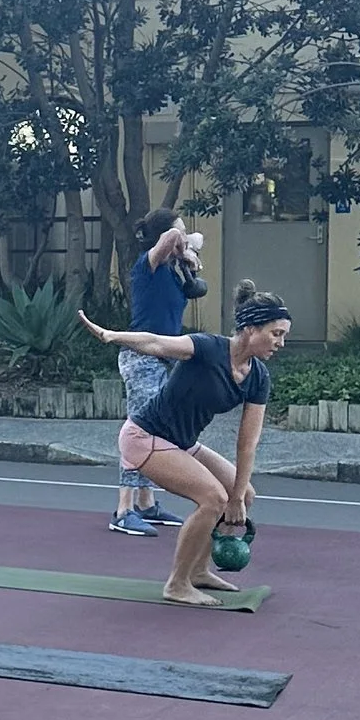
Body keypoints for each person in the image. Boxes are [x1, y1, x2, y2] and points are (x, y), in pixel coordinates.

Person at [80, 289, 292, 606]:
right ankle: (177, 583)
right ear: (251, 328)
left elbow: (248, 443)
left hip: (182, 443)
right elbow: (156, 342)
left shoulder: (258, 377)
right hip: (144, 437)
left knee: (243, 494)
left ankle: (199, 571)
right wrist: (112, 336)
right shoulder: (208, 348)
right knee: (214, 498)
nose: (281, 343)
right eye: (276, 334)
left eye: (283, 336)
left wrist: (237, 498)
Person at [112, 212, 208, 535]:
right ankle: (123, 509)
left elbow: (196, 243)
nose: (183, 237)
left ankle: (146, 502)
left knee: (157, 432)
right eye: (178, 231)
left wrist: (189, 254)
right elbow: (170, 241)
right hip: (140, 358)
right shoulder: (147, 266)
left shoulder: (175, 272)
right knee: (139, 431)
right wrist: (184, 243)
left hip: (165, 360)